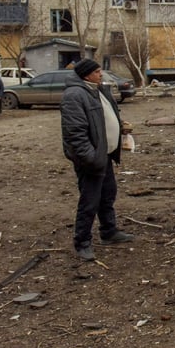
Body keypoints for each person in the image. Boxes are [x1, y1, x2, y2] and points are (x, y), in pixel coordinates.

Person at [60, 58, 134, 261]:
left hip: (105, 155)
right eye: (97, 72)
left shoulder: (97, 90)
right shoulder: (75, 95)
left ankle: (109, 231)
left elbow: (104, 117)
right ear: (86, 74)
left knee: (108, 194)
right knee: (89, 201)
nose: (101, 74)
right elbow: (75, 132)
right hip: (91, 158)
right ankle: (82, 242)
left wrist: (119, 127)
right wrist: (89, 158)